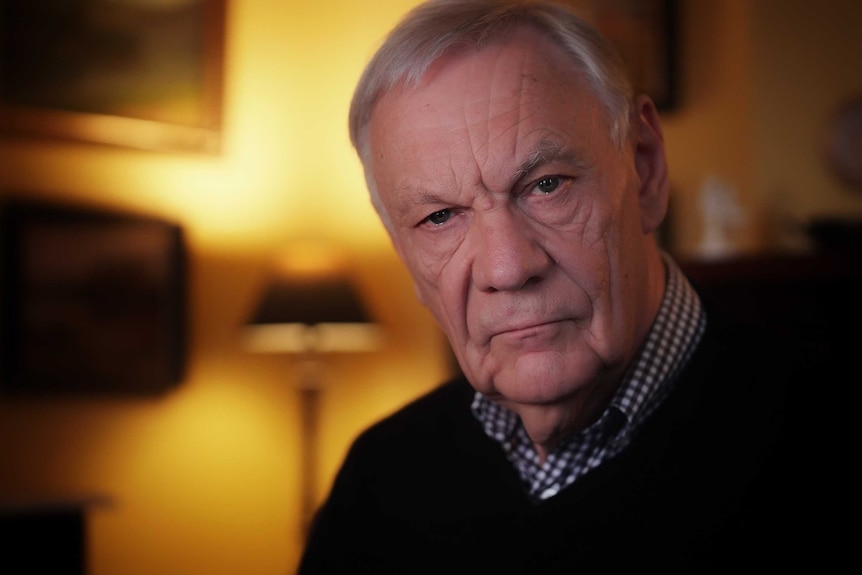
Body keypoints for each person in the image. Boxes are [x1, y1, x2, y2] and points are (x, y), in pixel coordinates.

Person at [298, 1, 847, 572]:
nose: (507, 269)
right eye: (439, 218)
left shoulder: (814, 437)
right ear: (402, 252)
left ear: (647, 168)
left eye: (546, 185)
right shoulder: (379, 478)